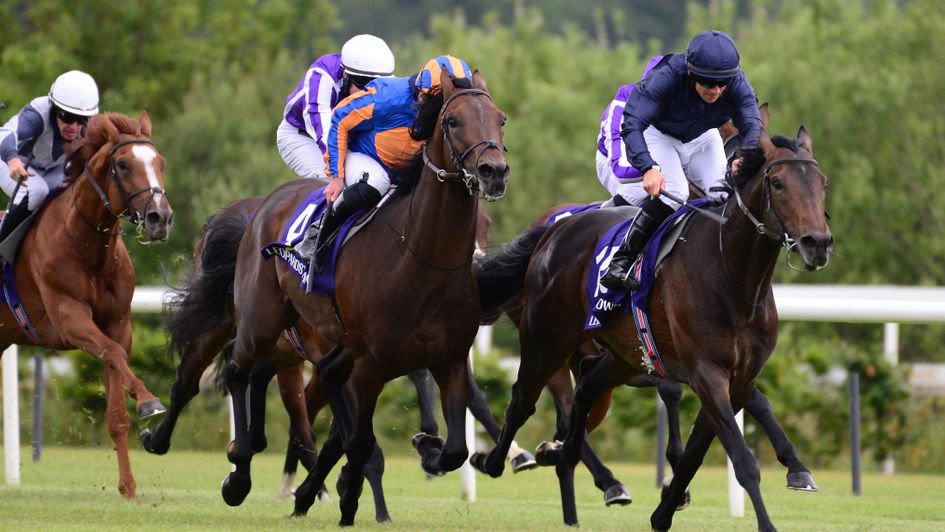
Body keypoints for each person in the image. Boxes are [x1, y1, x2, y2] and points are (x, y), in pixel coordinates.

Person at [599, 30, 763, 291]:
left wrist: (745, 154)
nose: (716, 91)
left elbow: (752, 124)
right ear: (691, 73)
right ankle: (620, 261)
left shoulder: (737, 83)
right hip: (659, 135)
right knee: (676, 191)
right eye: (709, 83)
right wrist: (648, 167)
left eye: (723, 84)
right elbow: (632, 124)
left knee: (724, 194)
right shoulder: (667, 76)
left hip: (703, 136)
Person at [298, 55, 473, 273]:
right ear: (422, 91)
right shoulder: (388, 96)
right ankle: (317, 235)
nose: (426, 103)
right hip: (362, 156)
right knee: (377, 182)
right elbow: (339, 119)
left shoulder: (450, 110)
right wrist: (337, 176)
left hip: (403, 166)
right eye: (428, 98)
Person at [277, 34, 396, 180]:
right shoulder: (321, 76)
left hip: (347, 138)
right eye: (364, 83)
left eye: (377, 84)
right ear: (346, 74)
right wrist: (337, 174)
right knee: (331, 180)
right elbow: (323, 129)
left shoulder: (386, 81)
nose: (369, 91)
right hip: (302, 136)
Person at [0, 70, 99, 241]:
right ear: (54, 109)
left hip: (51, 169)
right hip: (9, 161)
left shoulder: (88, 126)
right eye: (68, 117)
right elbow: (4, 134)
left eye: (82, 119)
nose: (74, 127)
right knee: (37, 191)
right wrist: (12, 159)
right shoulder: (38, 113)